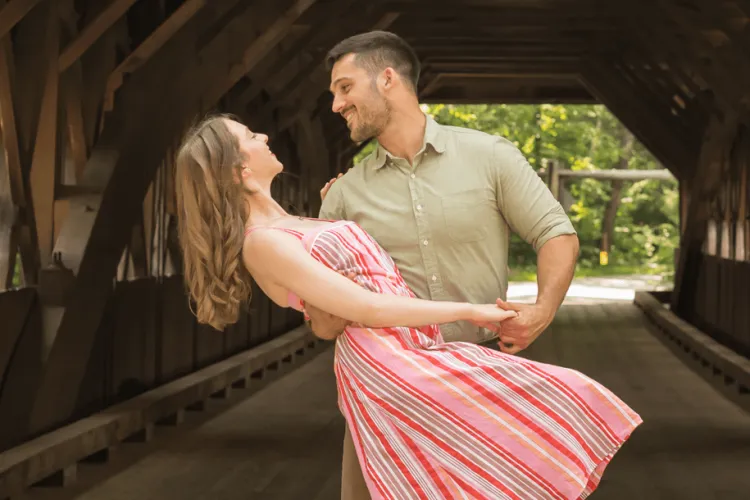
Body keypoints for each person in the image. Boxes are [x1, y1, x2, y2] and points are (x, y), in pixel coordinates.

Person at [174, 114, 642, 500]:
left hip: (413, 350)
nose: (265, 136)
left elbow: (340, 295)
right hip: (388, 362)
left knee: (465, 471)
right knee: (547, 409)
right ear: (238, 170)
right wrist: (471, 311)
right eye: (251, 137)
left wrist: (328, 216)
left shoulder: (298, 221)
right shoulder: (262, 243)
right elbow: (365, 307)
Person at [310, 31, 582, 498]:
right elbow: (323, 321)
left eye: (345, 87)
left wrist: (544, 308)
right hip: (387, 395)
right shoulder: (342, 195)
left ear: (388, 79)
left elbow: (555, 233)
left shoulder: (490, 156)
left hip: (482, 381)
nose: (335, 104)